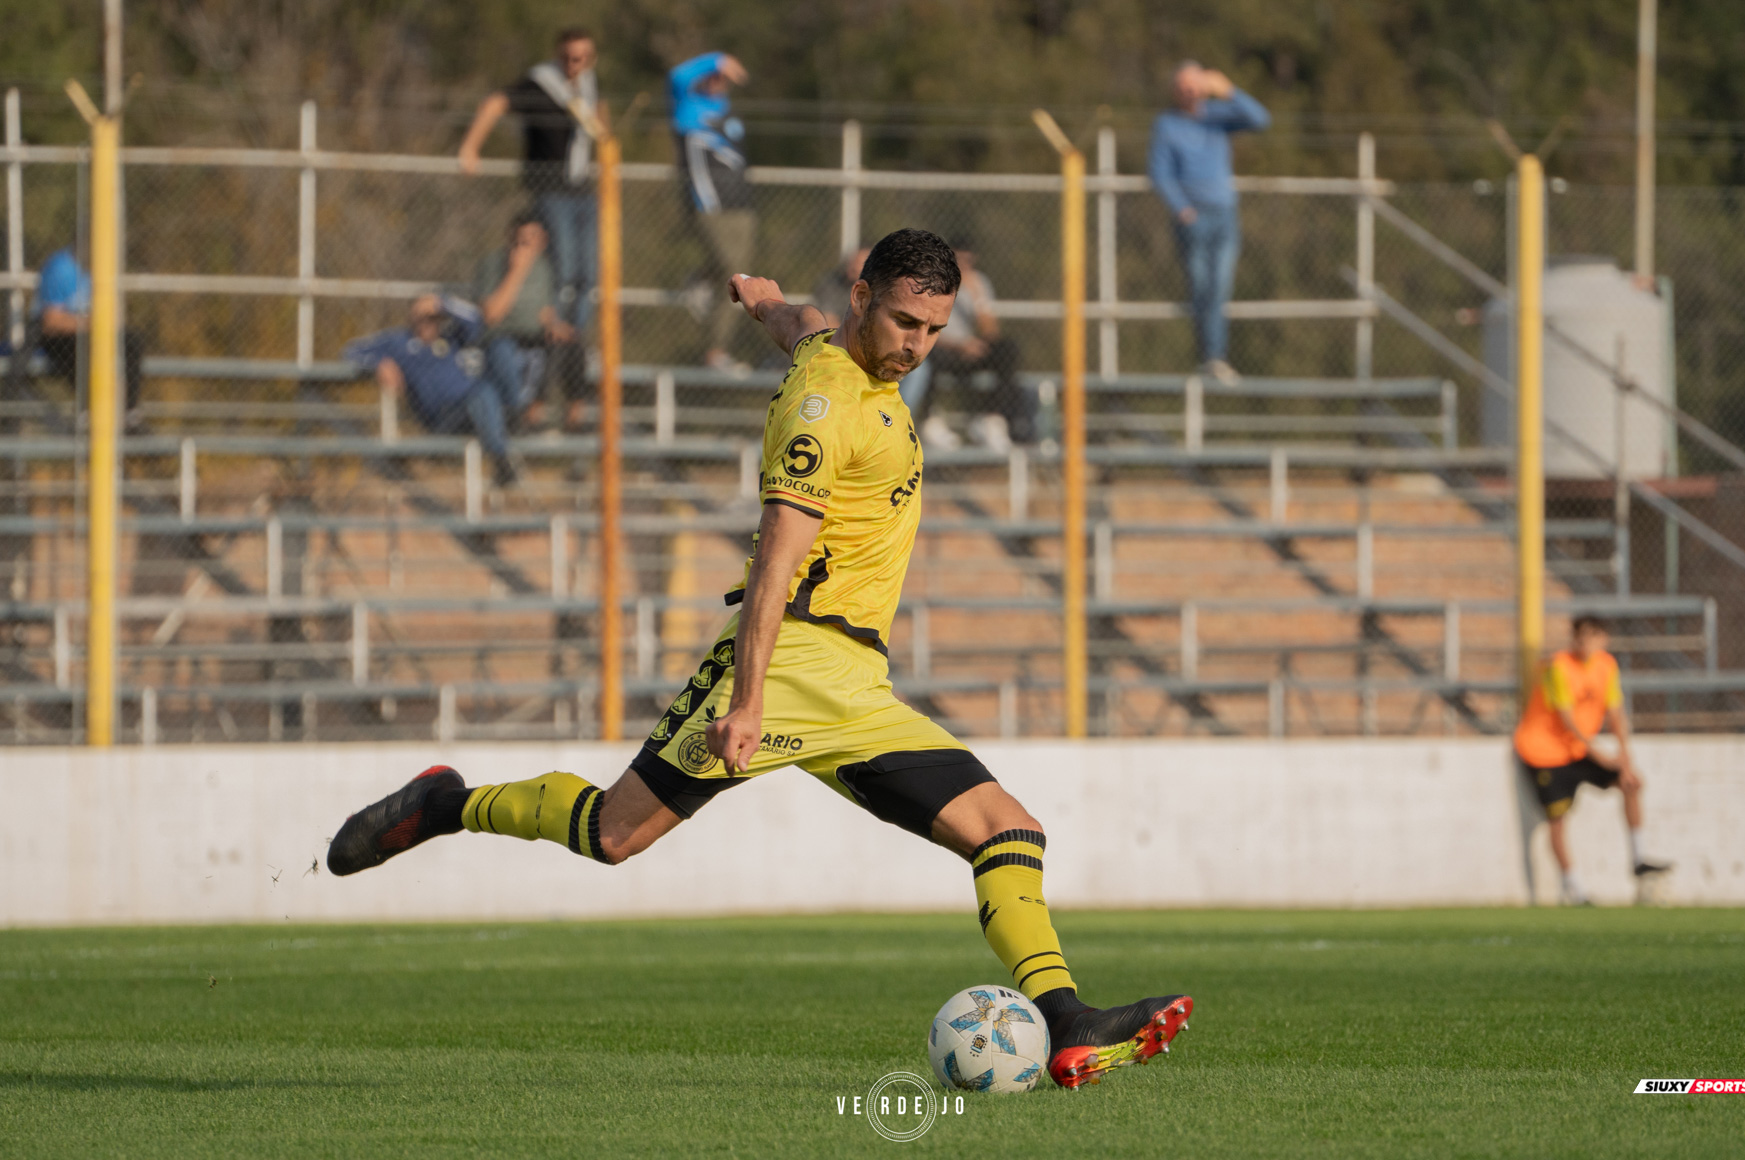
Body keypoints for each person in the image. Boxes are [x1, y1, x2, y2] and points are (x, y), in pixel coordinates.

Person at [326, 228, 1192, 1090]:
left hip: (855, 686)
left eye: (932, 330)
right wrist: (746, 703)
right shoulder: (826, 413)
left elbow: (800, 323)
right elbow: (776, 561)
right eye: (901, 324)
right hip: (783, 669)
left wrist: (761, 299)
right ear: (865, 298)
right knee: (613, 834)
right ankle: (446, 805)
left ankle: (1065, 1019)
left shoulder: (834, 346)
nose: (916, 347)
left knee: (1009, 830)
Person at [1514, 616, 1671, 905]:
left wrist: (1624, 756)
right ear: (1573, 638)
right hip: (1545, 752)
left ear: (1604, 640)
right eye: (1581, 637)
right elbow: (1567, 719)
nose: (1586, 643)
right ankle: (1574, 890)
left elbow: (1615, 712)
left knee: (1632, 783)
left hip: (1578, 750)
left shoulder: (1606, 666)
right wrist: (1601, 755)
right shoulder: (1557, 666)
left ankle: (1638, 858)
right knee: (1558, 821)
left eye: (1593, 637)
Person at [458, 28, 602, 322]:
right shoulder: (540, 83)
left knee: (589, 272)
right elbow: (494, 103)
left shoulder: (588, 83)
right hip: (551, 189)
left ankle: (577, 339)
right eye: (569, 58)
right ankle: (556, 332)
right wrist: (470, 148)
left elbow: (600, 116)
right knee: (564, 266)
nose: (575, 64)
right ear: (558, 55)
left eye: (582, 58)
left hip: (584, 189)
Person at [1148, 60, 1270, 386]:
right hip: (1193, 217)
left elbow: (1260, 120)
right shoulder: (1167, 125)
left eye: (1195, 85)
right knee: (1202, 288)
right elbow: (1159, 172)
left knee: (1220, 287)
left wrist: (1228, 90)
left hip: (1224, 214)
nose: (1190, 92)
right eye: (1184, 86)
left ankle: (1215, 358)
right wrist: (1181, 208)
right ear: (1174, 90)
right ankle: (1209, 357)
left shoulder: (1217, 116)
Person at [342, 294, 524, 487]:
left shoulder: (452, 338)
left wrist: (443, 303)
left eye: (432, 318)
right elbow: (350, 351)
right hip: (442, 418)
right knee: (482, 394)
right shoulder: (398, 342)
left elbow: (477, 319)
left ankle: (509, 434)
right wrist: (379, 363)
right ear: (411, 317)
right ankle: (502, 458)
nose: (427, 323)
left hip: (475, 411)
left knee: (500, 351)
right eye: (421, 317)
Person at [668, 51, 754, 372]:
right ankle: (713, 348)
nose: (718, 81)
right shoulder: (687, 109)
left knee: (738, 276)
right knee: (728, 265)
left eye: (723, 78)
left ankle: (717, 348)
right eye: (713, 77)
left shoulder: (727, 111)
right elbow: (676, 77)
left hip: (741, 204)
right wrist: (717, 60)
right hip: (708, 204)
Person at [909, 238, 1032, 452]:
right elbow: (926, 328)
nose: (963, 266)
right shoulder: (933, 282)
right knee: (926, 354)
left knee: (1007, 349)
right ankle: (929, 421)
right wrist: (960, 345)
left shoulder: (978, 282)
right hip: (942, 349)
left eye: (968, 260)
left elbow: (990, 332)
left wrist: (977, 297)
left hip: (969, 350)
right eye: (959, 260)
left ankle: (991, 419)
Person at [474, 212, 585, 429]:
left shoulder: (544, 268)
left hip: (535, 333)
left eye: (535, 238)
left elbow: (545, 312)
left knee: (570, 343)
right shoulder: (493, 263)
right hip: (503, 334)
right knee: (503, 353)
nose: (529, 244)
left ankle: (575, 419)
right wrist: (517, 271)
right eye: (523, 239)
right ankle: (521, 415)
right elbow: (492, 315)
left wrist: (555, 326)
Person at [26, 247, 146, 426]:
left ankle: (128, 413)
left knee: (132, 340)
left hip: (89, 335)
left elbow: (115, 318)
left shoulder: (102, 269)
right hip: (56, 339)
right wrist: (90, 323)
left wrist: (107, 320)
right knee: (86, 346)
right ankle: (91, 411)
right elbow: (50, 322)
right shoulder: (61, 266)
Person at [808, 246, 870, 328]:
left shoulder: (878, 288)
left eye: (859, 263)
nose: (853, 267)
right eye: (852, 262)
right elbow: (828, 320)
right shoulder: (832, 284)